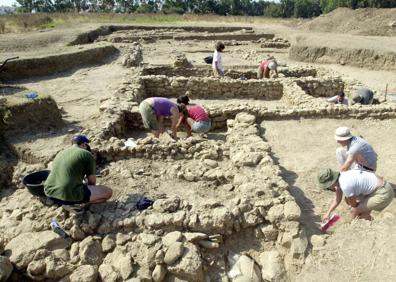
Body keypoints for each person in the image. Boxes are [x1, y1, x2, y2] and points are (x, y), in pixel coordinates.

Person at [44, 135, 112, 206]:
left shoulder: (60, 153)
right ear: (84, 144)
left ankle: (66, 202)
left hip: (49, 192)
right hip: (66, 194)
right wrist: (86, 188)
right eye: (87, 146)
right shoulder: (86, 154)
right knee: (108, 192)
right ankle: (75, 204)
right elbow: (92, 182)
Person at [318, 168, 393, 220]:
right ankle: (369, 221)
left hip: (383, 193)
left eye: (327, 186)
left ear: (332, 182)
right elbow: (338, 199)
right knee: (349, 201)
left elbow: (354, 206)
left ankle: (352, 229)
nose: (328, 188)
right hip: (377, 188)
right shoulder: (341, 176)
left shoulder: (345, 184)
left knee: (354, 211)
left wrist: (354, 212)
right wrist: (328, 213)